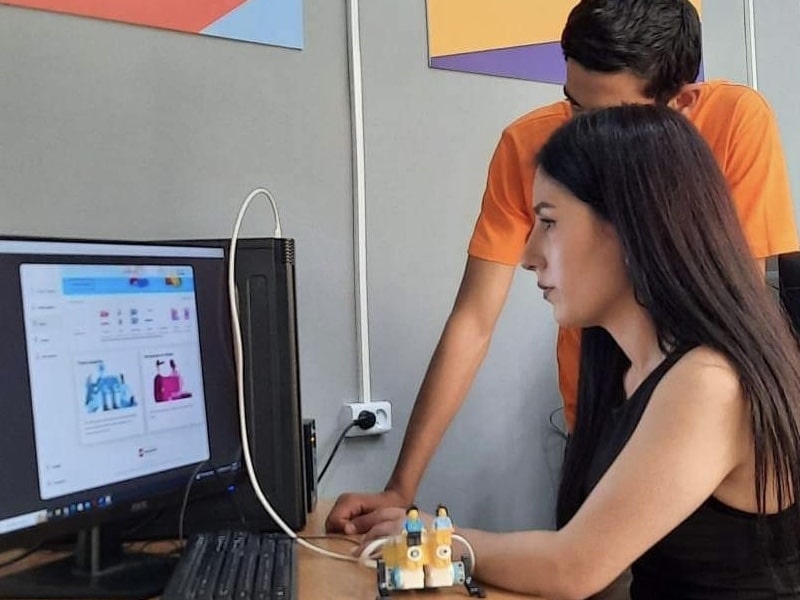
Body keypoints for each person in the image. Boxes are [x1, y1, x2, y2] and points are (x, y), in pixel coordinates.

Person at [325, 0, 799, 537]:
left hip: (697, 432)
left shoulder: (737, 122)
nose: (581, 135)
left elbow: (737, 302)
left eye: (606, 119)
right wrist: (401, 487)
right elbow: (473, 321)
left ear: (682, 102)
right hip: (594, 422)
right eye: (572, 104)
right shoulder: (528, 145)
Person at [359, 104, 800, 598]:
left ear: (630, 227)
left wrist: (434, 543)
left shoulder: (710, 383)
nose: (527, 257)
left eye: (548, 223)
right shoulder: (621, 362)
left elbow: (574, 567)